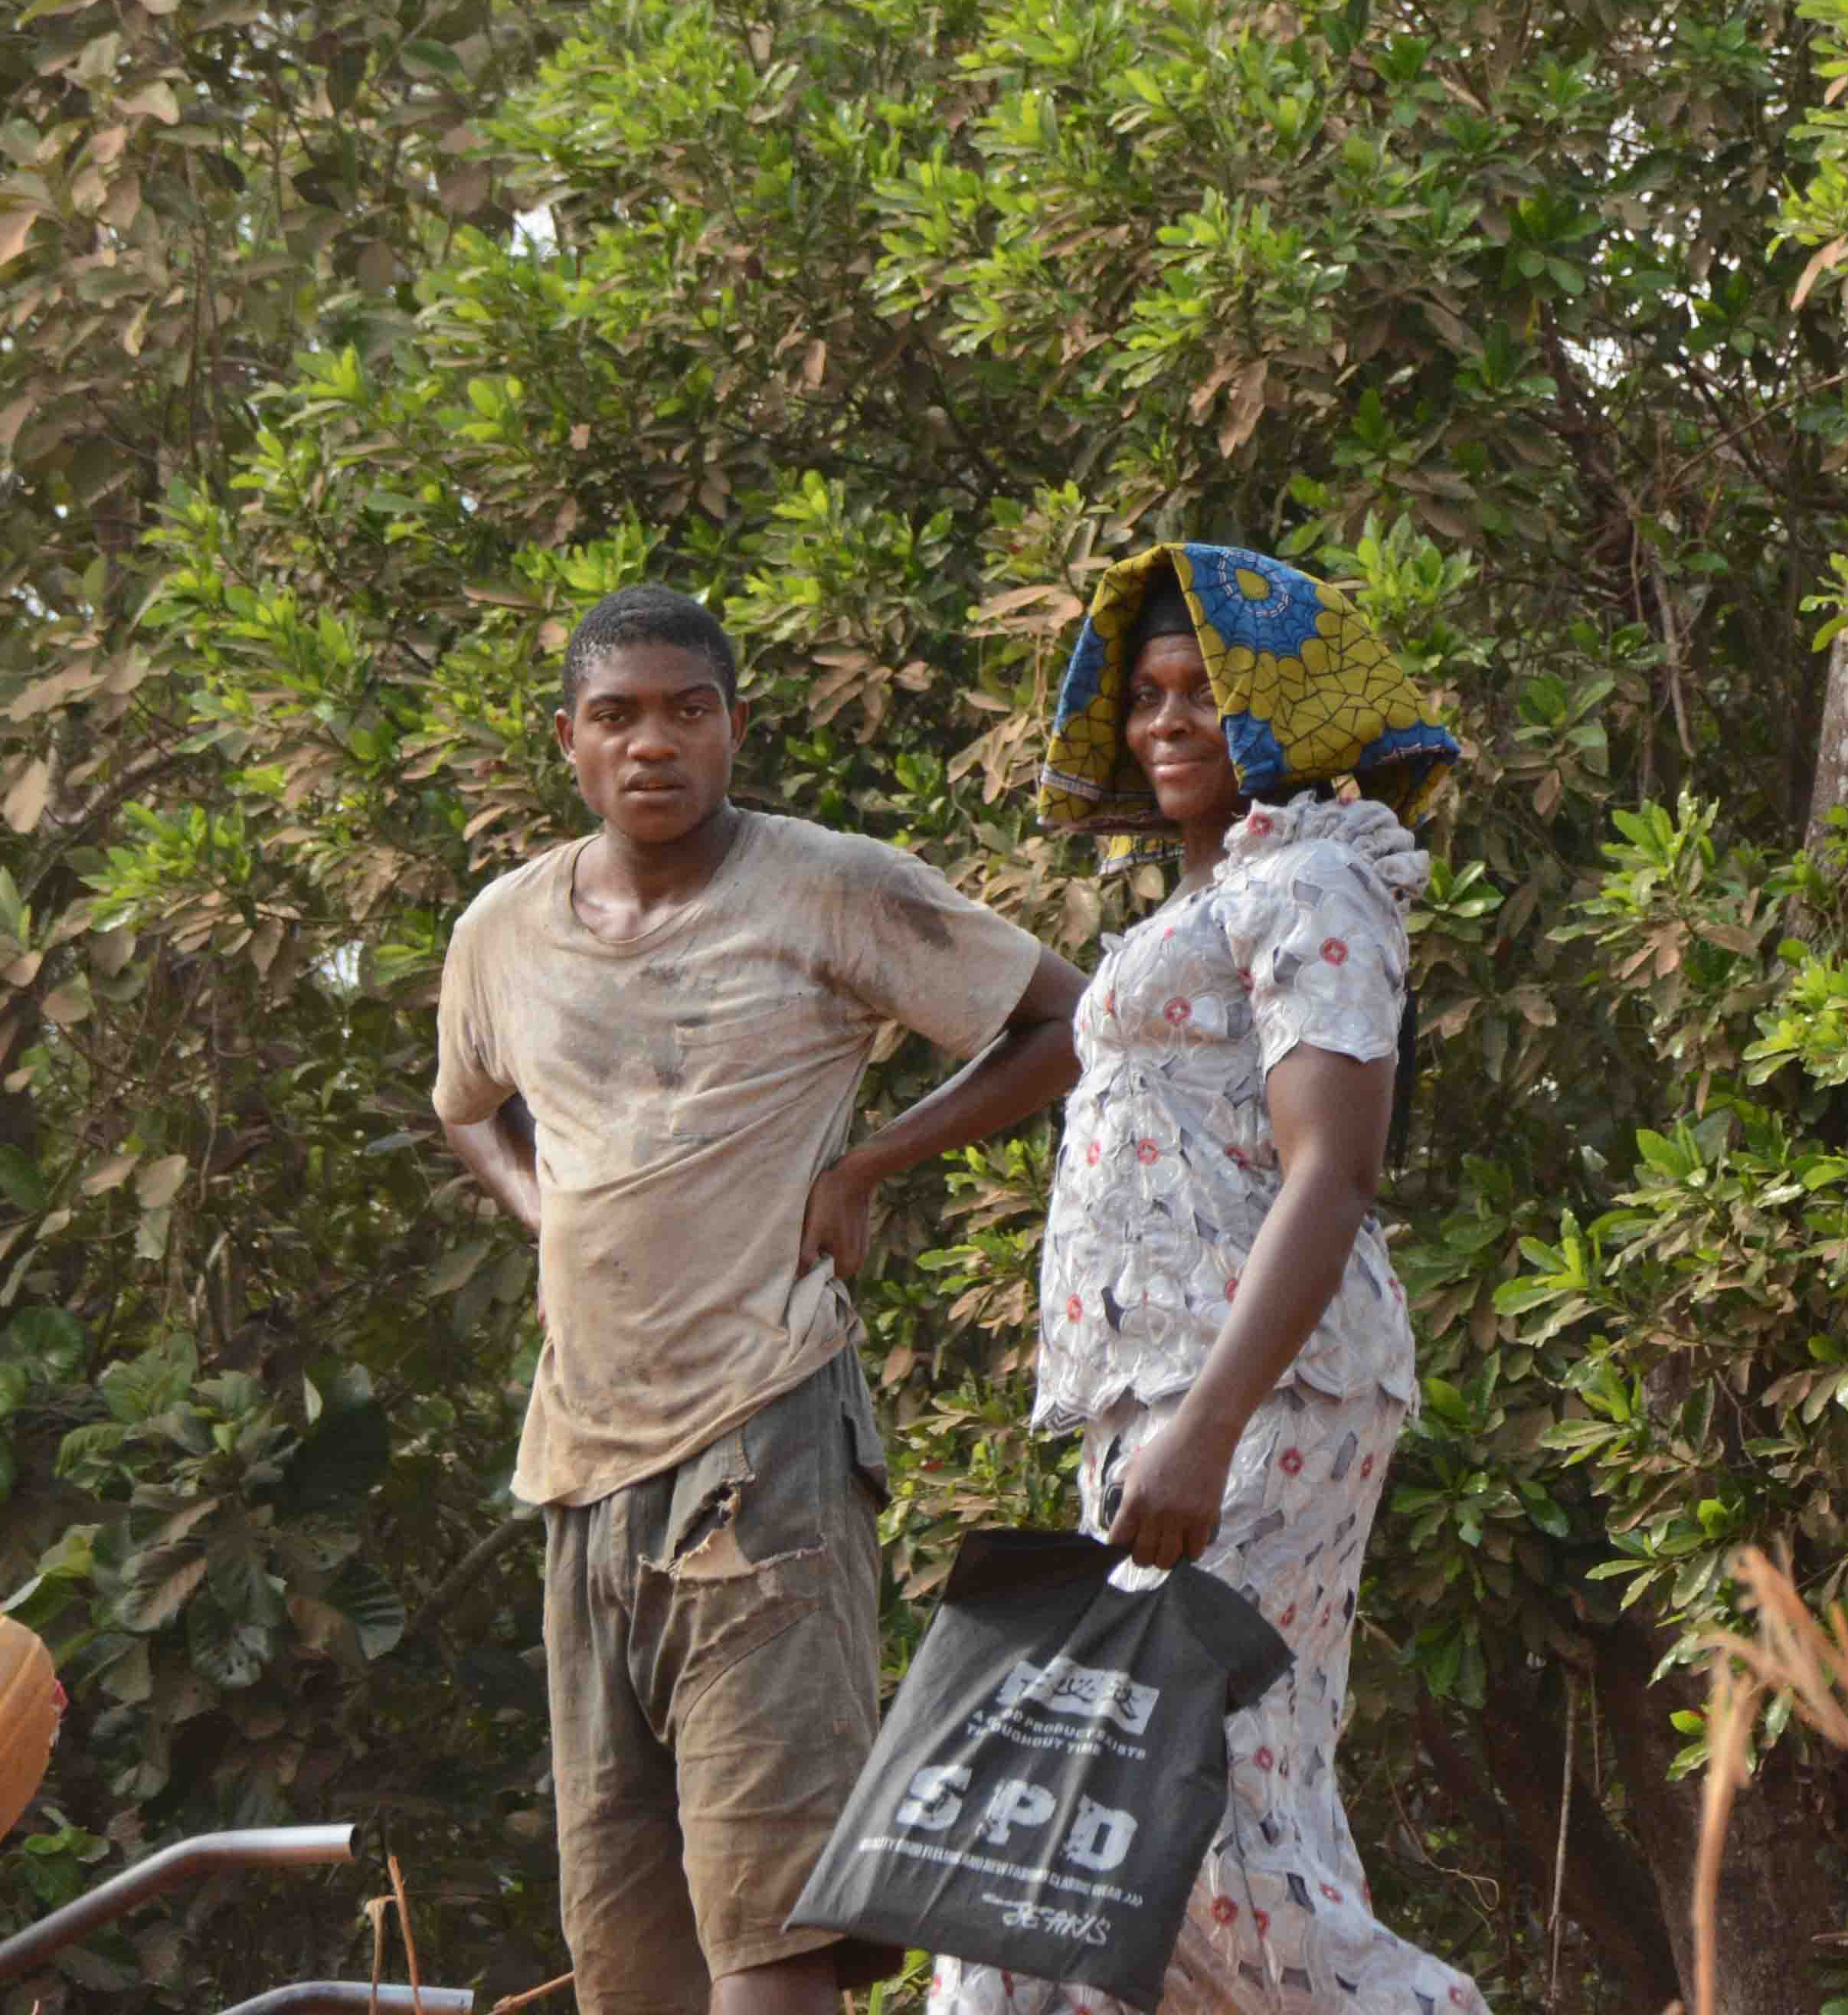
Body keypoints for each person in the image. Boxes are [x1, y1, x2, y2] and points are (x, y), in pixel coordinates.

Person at [435, 584, 1087, 2015]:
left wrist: (870, 1164)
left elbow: (1063, 1020)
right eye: (617, 717)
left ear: (734, 727)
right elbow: (467, 1107)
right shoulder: (504, 930)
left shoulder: (828, 885)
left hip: (764, 1445)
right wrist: (549, 1216)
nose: (652, 744)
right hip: (583, 1472)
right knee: (631, 1946)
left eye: (688, 711)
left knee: (775, 1933)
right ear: (568, 741)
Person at [931, 541, 1488, 2015]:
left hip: (1256, 1399)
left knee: (1182, 1803)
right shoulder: (1205, 899)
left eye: (1204, 691)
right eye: (1147, 694)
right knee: (1108, 1818)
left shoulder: (1314, 879)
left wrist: (1208, 1426)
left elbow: (1333, 1173)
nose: (1167, 721)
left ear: (1283, 708)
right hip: (1156, 1399)